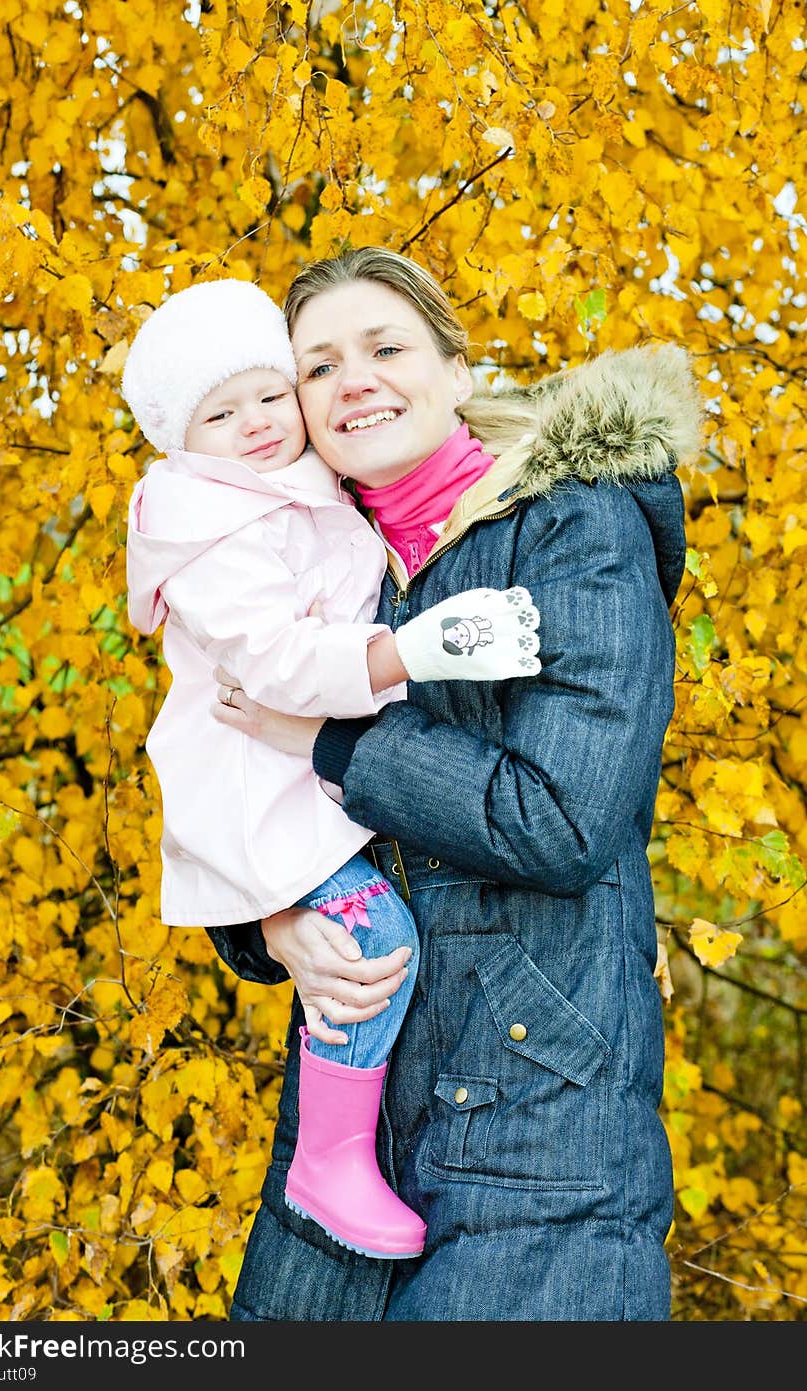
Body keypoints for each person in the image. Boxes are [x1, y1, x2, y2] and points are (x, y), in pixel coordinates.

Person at [205, 247, 705, 1322]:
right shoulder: (295, 573)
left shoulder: (573, 528)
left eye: (385, 348)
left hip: (542, 1136)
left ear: (458, 366)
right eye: (318, 366)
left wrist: (332, 741)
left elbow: (562, 819)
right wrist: (273, 920)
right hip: (347, 1142)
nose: (355, 382)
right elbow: (227, 783)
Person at [119, 278, 542, 1262]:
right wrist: (404, 656)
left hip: (309, 778)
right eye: (220, 415)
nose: (259, 423)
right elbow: (269, 657)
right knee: (369, 938)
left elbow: (553, 818)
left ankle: (337, 1156)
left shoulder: (304, 485)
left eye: (270, 393)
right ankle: (330, 1156)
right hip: (261, 783)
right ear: (182, 441)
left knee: (361, 938)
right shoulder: (215, 523)